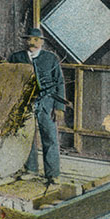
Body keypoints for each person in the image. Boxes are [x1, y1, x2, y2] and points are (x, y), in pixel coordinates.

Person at [7, 27, 65, 185]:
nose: (33, 42)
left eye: (36, 40)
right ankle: (31, 170)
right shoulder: (16, 58)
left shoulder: (51, 58)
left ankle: (53, 174)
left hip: (46, 104)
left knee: (50, 138)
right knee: (27, 137)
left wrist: (59, 107)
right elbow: (8, 80)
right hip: (25, 104)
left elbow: (59, 82)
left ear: (42, 42)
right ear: (26, 41)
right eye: (30, 39)